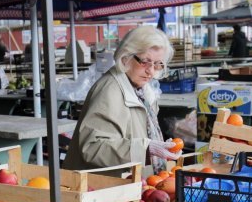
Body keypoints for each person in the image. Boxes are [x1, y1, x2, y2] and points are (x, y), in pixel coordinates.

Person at [63, 25, 180, 172]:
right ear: (126, 57)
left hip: (132, 185)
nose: (150, 71)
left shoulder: (143, 90)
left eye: (157, 64)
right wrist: (145, 149)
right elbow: (93, 147)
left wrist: (159, 148)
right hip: (102, 188)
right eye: (144, 61)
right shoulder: (109, 90)